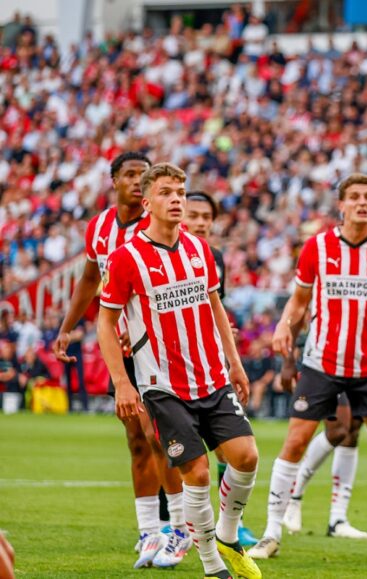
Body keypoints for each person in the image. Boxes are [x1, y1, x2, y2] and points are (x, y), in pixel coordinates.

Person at [249, 173, 367, 563]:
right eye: (354, 197)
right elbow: (299, 302)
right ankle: (271, 532)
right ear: (341, 205)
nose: (362, 203)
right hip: (322, 363)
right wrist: (284, 325)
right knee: (295, 443)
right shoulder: (317, 247)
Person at [98, 163, 261, 579]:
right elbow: (105, 321)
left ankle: (226, 534)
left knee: (247, 458)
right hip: (163, 386)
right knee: (198, 473)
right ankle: (212, 566)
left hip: (211, 376)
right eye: (167, 192)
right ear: (147, 201)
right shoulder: (126, 258)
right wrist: (122, 383)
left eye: (181, 192)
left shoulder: (198, 249)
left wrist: (235, 361)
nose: (176, 199)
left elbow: (214, 306)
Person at [51, 151, 188, 568]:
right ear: (114, 181)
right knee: (135, 439)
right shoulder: (100, 228)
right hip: (121, 350)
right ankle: (149, 532)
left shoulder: (158, 225)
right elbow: (90, 280)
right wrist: (67, 325)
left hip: (158, 349)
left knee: (158, 436)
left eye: (142, 175)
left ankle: (178, 528)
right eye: (129, 174)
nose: (136, 180)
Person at [280, 327, 367, 540]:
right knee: (339, 429)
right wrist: (289, 359)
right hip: (325, 362)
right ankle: (294, 497)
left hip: (360, 364)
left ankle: (338, 518)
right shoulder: (319, 293)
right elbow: (296, 316)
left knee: (352, 431)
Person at [183, 190, 259, 548]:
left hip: (209, 364)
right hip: (166, 368)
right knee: (163, 447)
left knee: (229, 449)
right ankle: (169, 524)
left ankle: (232, 522)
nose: (200, 223)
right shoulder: (150, 253)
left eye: (206, 217)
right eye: (193, 215)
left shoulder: (213, 257)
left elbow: (214, 307)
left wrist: (225, 341)